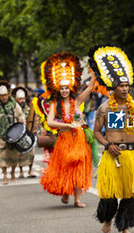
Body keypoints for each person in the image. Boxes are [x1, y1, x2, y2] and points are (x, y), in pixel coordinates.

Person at [89, 45, 134, 233]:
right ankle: (108, 219)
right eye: (121, 86)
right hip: (112, 154)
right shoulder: (105, 108)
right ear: (113, 88)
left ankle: (124, 226)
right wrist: (108, 145)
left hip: (131, 154)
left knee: (127, 194)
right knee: (109, 194)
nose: (125, 89)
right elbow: (97, 132)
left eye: (127, 85)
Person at [40, 52, 96, 207]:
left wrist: (94, 73)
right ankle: (65, 192)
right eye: (62, 88)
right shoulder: (54, 105)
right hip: (64, 141)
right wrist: (67, 125)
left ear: (70, 88)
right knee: (65, 169)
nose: (65, 90)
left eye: (67, 88)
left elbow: (90, 88)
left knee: (78, 168)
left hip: (79, 141)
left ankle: (77, 199)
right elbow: (50, 122)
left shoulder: (76, 102)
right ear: (59, 89)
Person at [0, 81, 25, 185]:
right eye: (2, 96)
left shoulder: (14, 105)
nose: (4, 97)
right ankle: (5, 176)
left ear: (8, 94)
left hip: (13, 135)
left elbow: (21, 115)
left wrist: (22, 121)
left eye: (6, 95)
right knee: (2, 156)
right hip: (0, 136)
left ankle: (12, 172)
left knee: (14, 156)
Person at [11, 86, 36, 178]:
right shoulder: (14, 108)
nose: (22, 100)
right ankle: (21, 171)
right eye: (20, 99)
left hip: (29, 132)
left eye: (23, 98)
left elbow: (34, 117)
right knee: (20, 153)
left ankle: (30, 170)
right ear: (16, 99)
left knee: (31, 152)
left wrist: (35, 128)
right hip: (19, 133)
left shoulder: (29, 107)